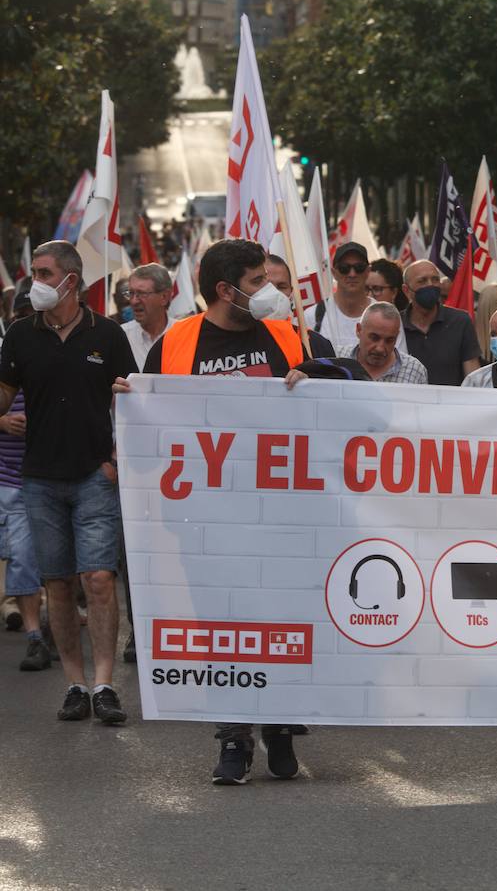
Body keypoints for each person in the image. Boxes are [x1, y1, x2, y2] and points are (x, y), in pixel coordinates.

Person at [126, 238, 311, 782]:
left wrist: (316, 379)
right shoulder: (176, 342)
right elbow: (154, 422)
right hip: (205, 521)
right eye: (258, 281)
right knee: (221, 629)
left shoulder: (286, 335)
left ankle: (279, 727)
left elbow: (337, 393)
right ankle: (234, 739)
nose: (269, 290)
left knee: (278, 625)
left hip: (279, 517)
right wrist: (129, 402)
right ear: (226, 290)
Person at [0, 241, 138, 723]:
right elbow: (3, 397)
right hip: (38, 480)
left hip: (93, 476)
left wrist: (116, 459)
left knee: (98, 579)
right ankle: (75, 685)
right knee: (57, 584)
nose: (34, 280)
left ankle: (104, 685)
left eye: (43, 272)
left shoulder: (109, 334)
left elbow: (135, 402)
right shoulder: (19, 335)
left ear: (71, 281)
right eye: (34, 272)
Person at [0, 280, 49, 671]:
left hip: (51, 477)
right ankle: (35, 635)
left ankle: (51, 617)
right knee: (21, 557)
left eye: (30, 315)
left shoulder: (59, 358)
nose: (25, 322)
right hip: (10, 482)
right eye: (19, 315)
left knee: (48, 560)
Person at [399, 260, 481, 386]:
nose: (430, 285)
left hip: (451, 404)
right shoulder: (396, 324)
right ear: (406, 290)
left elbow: (473, 377)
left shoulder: (460, 321)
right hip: (409, 403)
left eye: (435, 279)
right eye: (422, 281)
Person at [264, 254, 336, 358]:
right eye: (267, 286)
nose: (275, 293)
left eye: (282, 287)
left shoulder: (317, 344)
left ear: (291, 293)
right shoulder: (239, 342)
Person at [314, 242, 374, 356]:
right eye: (344, 268)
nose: (352, 274)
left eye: (359, 268)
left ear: (367, 271)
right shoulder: (313, 315)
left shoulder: (386, 315)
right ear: (334, 273)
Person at [344, 303, 428, 384]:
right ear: (359, 330)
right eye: (374, 338)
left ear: (397, 337)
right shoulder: (337, 357)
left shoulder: (414, 371)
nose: (380, 348)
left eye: (389, 340)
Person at [122, 263, 173, 370]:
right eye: (131, 293)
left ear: (164, 297)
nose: (134, 301)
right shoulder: (121, 336)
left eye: (141, 293)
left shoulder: (184, 335)